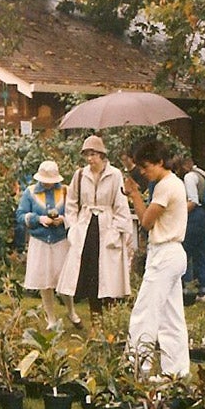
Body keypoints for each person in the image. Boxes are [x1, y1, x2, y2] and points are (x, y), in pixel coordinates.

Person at [123, 140, 189, 377]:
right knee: (171, 317)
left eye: (146, 166)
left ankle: (137, 368)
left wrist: (133, 194)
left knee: (144, 313)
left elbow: (146, 222)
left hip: (165, 254)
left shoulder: (165, 186)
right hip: (172, 253)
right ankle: (177, 372)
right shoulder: (173, 183)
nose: (143, 171)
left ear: (160, 162)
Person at [57, 135, 132, 327]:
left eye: (93, 154)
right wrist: (72, 228)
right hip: (86, 229)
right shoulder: (80, 175)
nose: (90, 159)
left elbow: (121, 205)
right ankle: (95, 324)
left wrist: (117, 231)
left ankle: (111, 324)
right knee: (90, 276)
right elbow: (71, 203)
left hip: (107, 229)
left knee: (109, 279)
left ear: (101, 154)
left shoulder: (115, 175)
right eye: (86, 155)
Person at [15, 160, 82, 329]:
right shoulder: (30, 192)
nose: (48, 184)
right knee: (44, 281)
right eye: (45, 180)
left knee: (64, 278)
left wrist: (64, 220)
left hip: (61, 240)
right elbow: (20, 215)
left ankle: (71, 311)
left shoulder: (66, 191)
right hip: (40, 241)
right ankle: (51, 318)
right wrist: (38, 219)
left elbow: (75, 212)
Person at [174, 155, 205, 303]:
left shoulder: (189, 177)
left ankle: (187, 288)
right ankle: (204, 290)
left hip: (195, 218)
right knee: (201, 253)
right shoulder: (200, 172)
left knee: (185, 252)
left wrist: (177, 212)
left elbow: (193, 201)